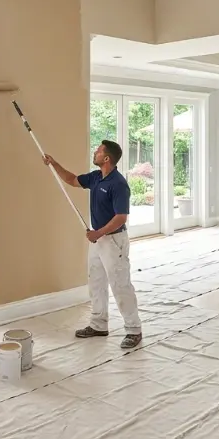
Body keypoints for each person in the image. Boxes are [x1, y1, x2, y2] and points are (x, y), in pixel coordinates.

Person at [43, 140, 142, 349]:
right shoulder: (96, 177)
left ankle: (134, 330)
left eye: (98, 151)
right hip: (98, 240)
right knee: (96, 281)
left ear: (106, 158)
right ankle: (98, 325)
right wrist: (54, 163)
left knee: (120, 284)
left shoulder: (118, 184)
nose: (95, 153)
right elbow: (71, 179)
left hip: (114, 240)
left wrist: (99, 232)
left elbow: (121, 217)